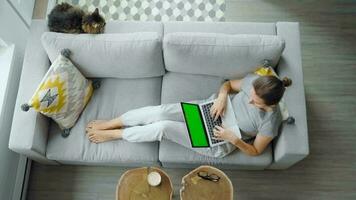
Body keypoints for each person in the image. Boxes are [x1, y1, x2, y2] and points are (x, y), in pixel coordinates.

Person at [86, 73, 292, 158]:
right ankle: (112, 123)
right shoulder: (255, 82)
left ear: (270, 104)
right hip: (210, 109)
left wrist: (234, 139)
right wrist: (222, 96)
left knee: (163, 127)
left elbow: (255, 151)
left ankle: (116, 135)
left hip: (220, 140)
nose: (249, 99)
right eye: (250, 94)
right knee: (160, 111)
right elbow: (228, 85)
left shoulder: (270, 122)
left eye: (255, 102)